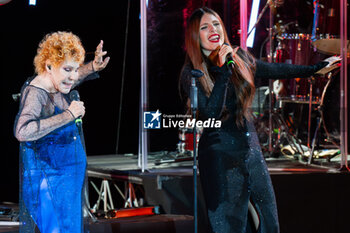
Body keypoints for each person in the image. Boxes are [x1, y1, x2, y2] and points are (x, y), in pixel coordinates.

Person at [179, 7, 339, 233]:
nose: (213, 30)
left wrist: (315, 69)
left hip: (251, 151)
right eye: (204, 27)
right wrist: (225, 71)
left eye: (216, 24)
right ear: (196, 36)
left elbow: (273, 69)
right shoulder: (192, 72)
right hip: (220, 158)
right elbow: (211, 113)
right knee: (230, 225)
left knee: (270, 222)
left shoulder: (239, 56)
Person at [14, 31, 110, 233]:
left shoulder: (55, 82)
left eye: (75, 69)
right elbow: (22, 131)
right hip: (50, 183)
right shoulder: (36, 92)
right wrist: (68, 115)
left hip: (65, 182)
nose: (74, 76)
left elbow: (69, 80)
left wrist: (92, 66)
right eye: (68, 69)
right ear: (49, 66)